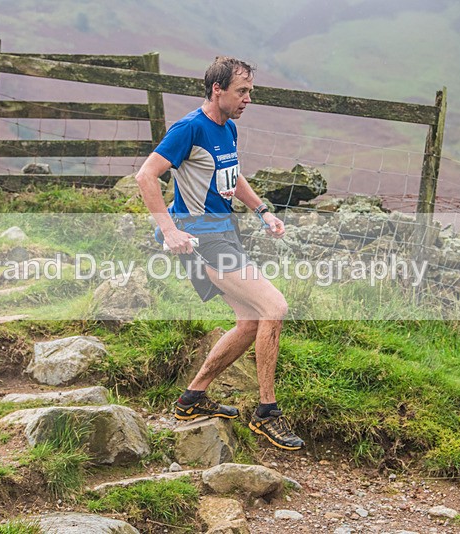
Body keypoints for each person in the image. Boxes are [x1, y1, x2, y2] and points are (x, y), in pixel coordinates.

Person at [135, 56, 304, 451]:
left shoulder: (227, 128)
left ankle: (191, 400)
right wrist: (169, 230)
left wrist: (262, 211)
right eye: (242, 91)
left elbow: (231, 173)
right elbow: (146, 175)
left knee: (248, 322)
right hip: (202, 239)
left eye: (250, 91)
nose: (249, 99)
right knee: (273, 307)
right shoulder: (189, 128)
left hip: (223, 233)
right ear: (218, 90)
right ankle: (267, 414)